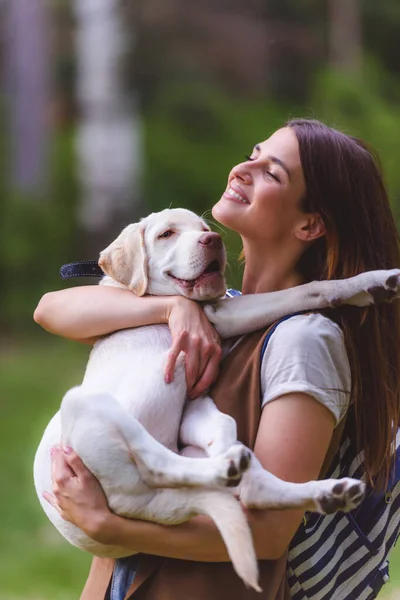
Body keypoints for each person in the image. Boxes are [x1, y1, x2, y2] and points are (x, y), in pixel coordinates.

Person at [34, 119, 400, 600]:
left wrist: (113, 527)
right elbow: (52, 308)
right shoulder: (208, 311)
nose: (243, 168)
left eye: (273, 172)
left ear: (310, 224)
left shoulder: (303, 341)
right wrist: (171, 307)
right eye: (252, 151)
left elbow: (269, 536)